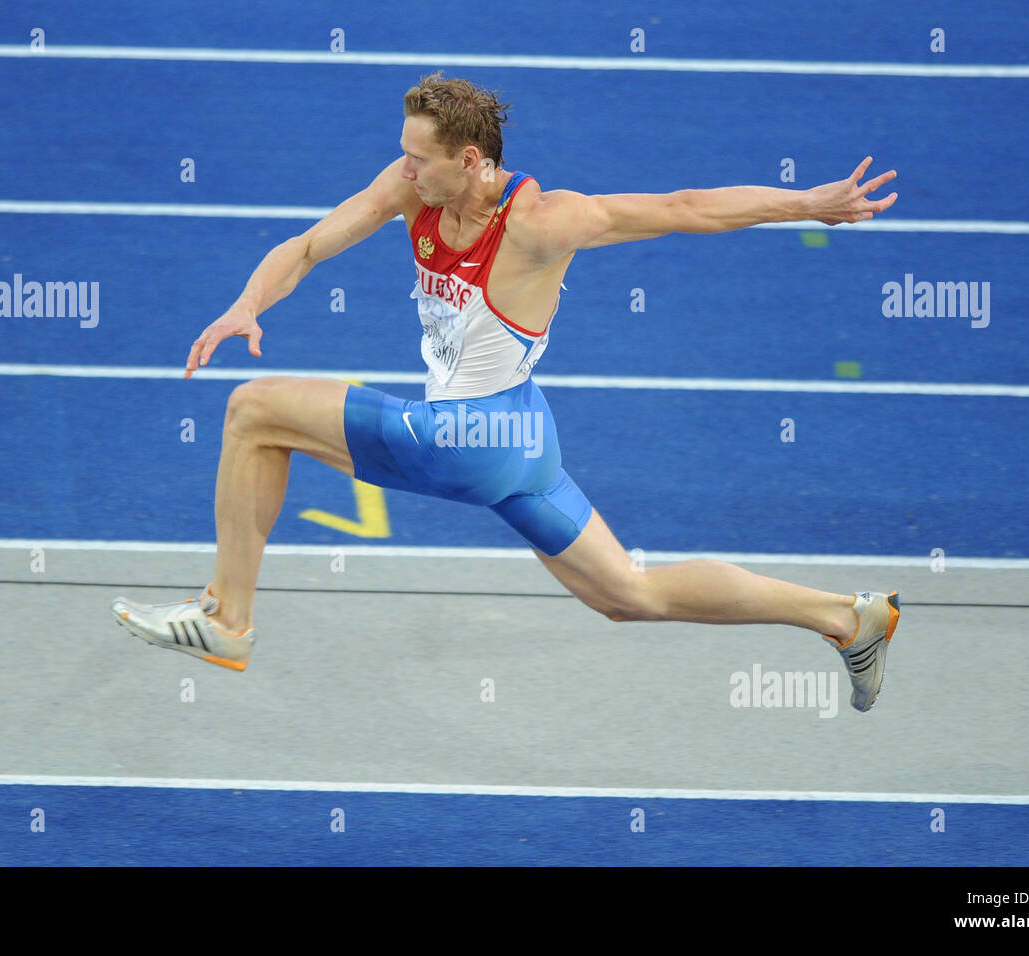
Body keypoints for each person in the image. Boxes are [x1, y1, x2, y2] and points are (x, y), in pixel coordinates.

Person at [112, 73, 902, 712]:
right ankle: (844, 617)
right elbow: (312, 244)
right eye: (404, 155)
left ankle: (227, 621)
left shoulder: (542, 223)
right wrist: (250, 302)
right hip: (525, 438)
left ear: (470, 160)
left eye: (420, 158)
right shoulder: (414, 187)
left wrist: (808, 203)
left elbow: (680, 208)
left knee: (252, 411)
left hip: (467, 441)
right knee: (628, 593)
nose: (404, 171)